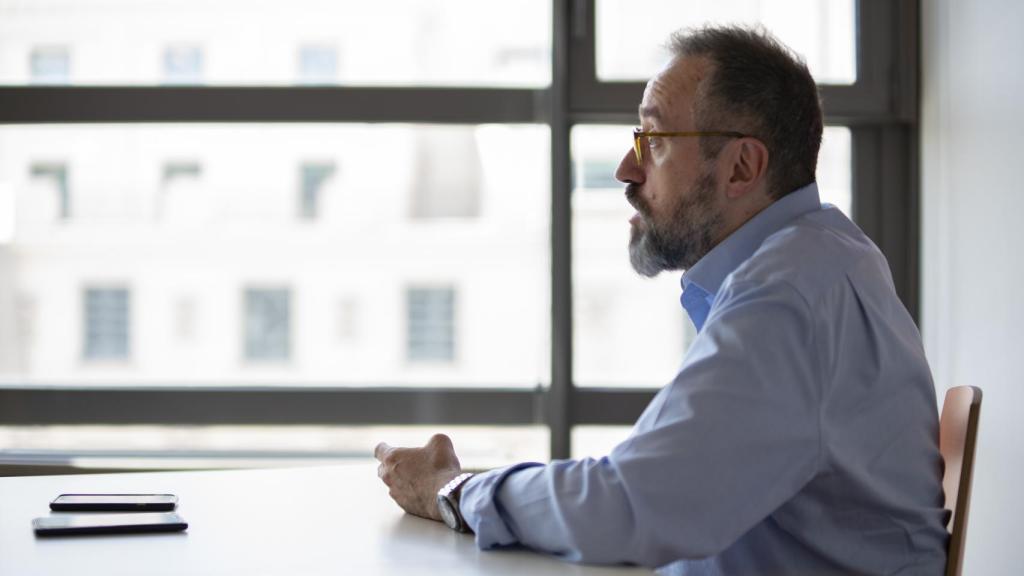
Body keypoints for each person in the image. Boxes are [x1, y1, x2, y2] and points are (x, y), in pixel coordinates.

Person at [374, 25, 949, 575]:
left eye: (654, 141)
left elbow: (629, 510)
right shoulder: (827, 257)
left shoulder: (786, 298)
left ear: (742, 167)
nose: (628, 169)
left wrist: (454, 491)